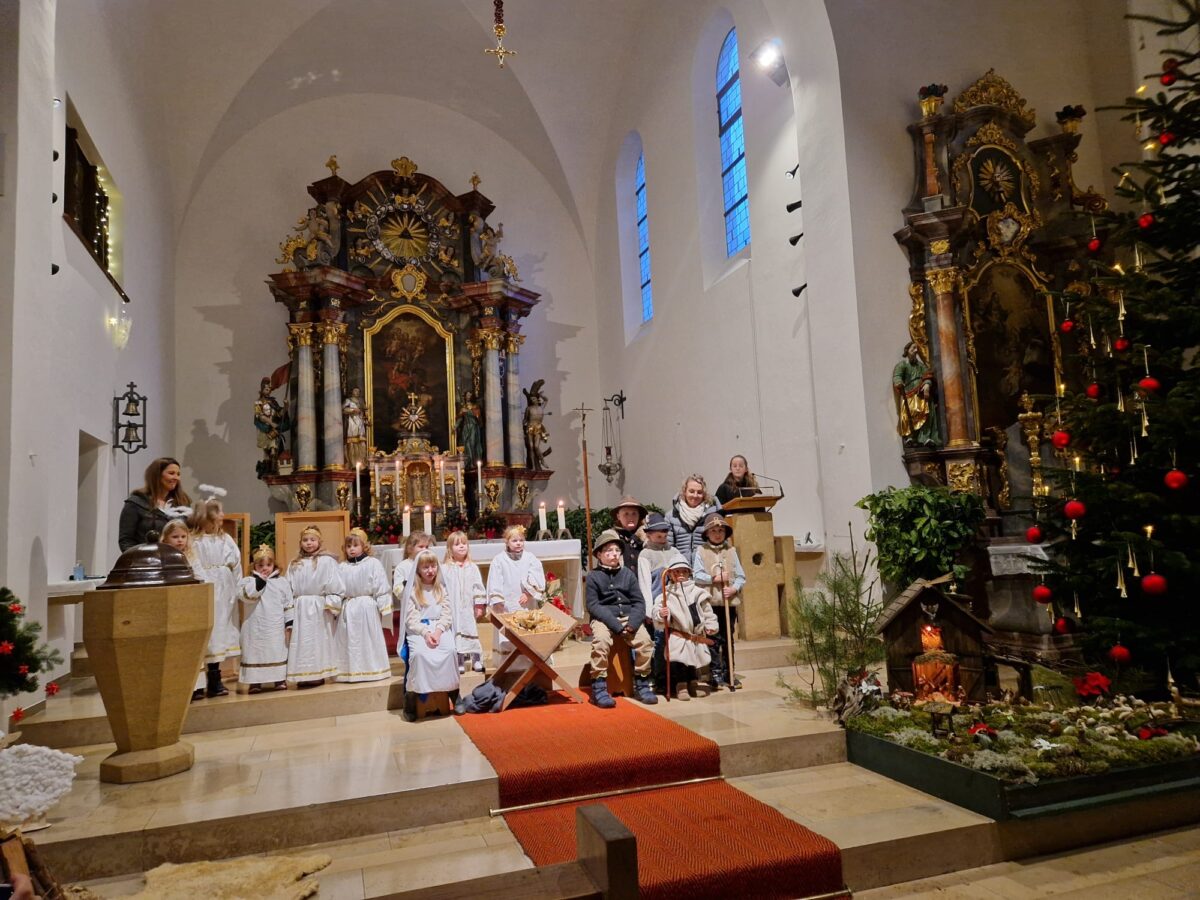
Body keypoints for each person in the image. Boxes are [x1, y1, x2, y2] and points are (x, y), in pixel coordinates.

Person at [586, 530, 657, 708]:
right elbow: (593, 605)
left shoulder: (627, 574)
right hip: (604, 618)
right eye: (608, 551)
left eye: (616, 550)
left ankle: (642, 682)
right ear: (599, 555)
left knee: (646, 642)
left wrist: (632, 624)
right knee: (601, 641)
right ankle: (599, 687)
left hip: (628, 617)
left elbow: (638, 602)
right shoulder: (594, 576)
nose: (613, 555)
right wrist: (616, 625)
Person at [188, 496, 242, 699]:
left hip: (224, 589)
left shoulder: (225, 538)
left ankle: (215, 677)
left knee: (220, 631)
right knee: (206, 632)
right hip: (206, 587)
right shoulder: (195, 540)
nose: (222, 516)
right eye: (218, 512)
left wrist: (238, 587)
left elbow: (236, 564)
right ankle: (197, 681)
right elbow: (192, 562)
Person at [401, 549, 464, 720]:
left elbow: (447, 613)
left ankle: (454, 693)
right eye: (425, 567)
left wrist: (438, 631)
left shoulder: (442, 588)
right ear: (418, 570)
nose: (430, 570)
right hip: (419, 630)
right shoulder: (412, 591)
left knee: (450, 651)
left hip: (440, 628)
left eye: (433, 566)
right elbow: (411, 618)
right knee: (420, 655)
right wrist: (426, 633)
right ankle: (411, 698)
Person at [653, 554, 719, 701]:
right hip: (678, 634)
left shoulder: (697, 593)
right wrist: (661, 614)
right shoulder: (666, 594)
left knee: (694, 661)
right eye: (676, 572)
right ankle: (681, 685)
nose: (680, 575)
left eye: (684, 571)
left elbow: (707, 611)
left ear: (689, 573)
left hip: (694, 634)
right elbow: (657, 612)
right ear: (669, 574)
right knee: (679, 661)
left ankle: (693, 683)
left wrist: (710, 625)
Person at [285, 525, 344, 687]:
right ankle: (302, 674)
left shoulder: (327, 561)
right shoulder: (294, 563)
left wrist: (330, 603)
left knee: (318, 641)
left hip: (319, 607)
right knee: (302, 641)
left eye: (312, 540)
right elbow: (287, 587)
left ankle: (318, 672)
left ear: (319, 541)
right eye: (305, 540)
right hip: (300, 607)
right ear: (300, 543)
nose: (309, 543)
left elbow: (336, 586)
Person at [692, 512, 746, 691]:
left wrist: (734, 588)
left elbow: (740, 576)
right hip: (710, 604)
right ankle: (714, 672)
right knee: (713, 637)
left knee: (727, 638)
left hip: (727, 603)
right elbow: (696, 575)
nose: (717, 533)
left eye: (721, 530)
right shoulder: (701, 551)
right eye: (713, 530)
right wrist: (713, 578)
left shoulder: (731, 551)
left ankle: (729, 671)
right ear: (707, 533)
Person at [160, 519, 210, 701]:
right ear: (165, 539)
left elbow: (201, 577)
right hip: (171, 607)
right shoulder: (161, 557)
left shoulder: (192, 556)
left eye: (183, 536)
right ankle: (176, 686)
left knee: (191, 646)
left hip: (189, 605)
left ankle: (195, 686)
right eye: (175, 537)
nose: (180, 540)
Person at [335, 528, 392, 683]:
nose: (352, 549)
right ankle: (350, 671)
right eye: (348, 546)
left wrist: (383, 607)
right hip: (349, 608)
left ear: (364, 546)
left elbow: (381, 586)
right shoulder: (341, 567)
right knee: (350, 641)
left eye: (355, 545)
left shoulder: (373, 563)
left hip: (367, 608)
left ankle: (372, 669)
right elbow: (336, 589)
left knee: (368, 640)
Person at [486, 524, 545, 665]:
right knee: (508, 634)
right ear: (507, 542)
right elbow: (494, 580)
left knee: (527, 632)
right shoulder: (499, 560)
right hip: (506, 604)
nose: (518, 543)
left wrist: (529, 593)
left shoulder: (530, 558)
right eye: (514, 540)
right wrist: (497, 599)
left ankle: (530, 662)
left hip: (525, 603)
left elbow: (536, 575)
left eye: (521, 540)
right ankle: (508, 664)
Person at [238, 544, 294, 692]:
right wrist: (260, 582)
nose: (265, 568)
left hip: (275, 625)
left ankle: (278, 680)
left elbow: (288, 603)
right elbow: (247, 596)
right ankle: (254, 682)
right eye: (260, 565)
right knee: (255, 651)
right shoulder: (248, 581)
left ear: (274, 564)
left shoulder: (282, 582)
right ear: (254, 566)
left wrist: (289, 622)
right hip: (254, 625)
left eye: (268, 565)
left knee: (277, 649)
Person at [118, 457, 191, 551]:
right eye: (171, 473)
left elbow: (189, 534)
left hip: (175, 562)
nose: (176, 478)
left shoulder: (182, 504)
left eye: (178, 474)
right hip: (145, 562)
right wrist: (140, 559)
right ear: (157, 475)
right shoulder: (136, 503)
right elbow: (126, 540)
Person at [637, 512, 675, 690]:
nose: (662, 538)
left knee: (673, 641)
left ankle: (674, 676)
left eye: (665, 534)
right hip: (657, 605)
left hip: (673, 604)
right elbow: (645, 583)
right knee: (659, 642)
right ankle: (659, 678)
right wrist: (648, 610)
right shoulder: (645, 554)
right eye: (658, 535)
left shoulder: (673, 551)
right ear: (649, 534)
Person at [442, 531, 485, 674]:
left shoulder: (472, 567)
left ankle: (477, 659)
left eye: (464, 543)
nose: (461, 546)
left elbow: (478, 587)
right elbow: (442, 588)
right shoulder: (446, 568)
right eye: (457, 544)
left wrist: (479, 604)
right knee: (456, 632)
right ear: (450, 548)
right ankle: (459, 660)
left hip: (468, 607)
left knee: (471, 630)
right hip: (453, 607)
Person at [389, 531, 432, 657]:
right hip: (411, 610)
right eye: (421, 547)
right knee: (415, 642)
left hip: (429, 608)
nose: (424, 550)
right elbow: (397, 589)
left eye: (427, 547)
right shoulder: (403, 567)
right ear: (409, 548)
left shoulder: (430, 564)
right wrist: (409, 588)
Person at [893, 341, 941, 447]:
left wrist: (927, 384)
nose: (916, 351)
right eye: (913, 349)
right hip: (909, 393)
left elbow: (927, 375)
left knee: (925, 412)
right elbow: (897, 376)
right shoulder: (902, 365)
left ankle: (925, 437)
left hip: (921, 393)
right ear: (907, 351)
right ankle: (910, 436)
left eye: (916, 349)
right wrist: (899, 382)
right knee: (908, 414)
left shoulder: (920, 365)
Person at [665, 474, 720, 564]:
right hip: (680, 569)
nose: (695, 495)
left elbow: (720, 544)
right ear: (684, 492)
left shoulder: (713, 516)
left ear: (704, 495)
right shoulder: (670, 516)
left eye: (699, 492)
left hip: (706, 567)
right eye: (691, 491)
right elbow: (668, 547)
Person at [610, 495, 647, 571]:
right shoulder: (611, 538)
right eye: (626, 514)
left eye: (634, 514)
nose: (630, 518)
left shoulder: (648, 537)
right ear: (618, 516)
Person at [343, 387, 369, 469]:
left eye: (358, 391)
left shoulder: (361, 401)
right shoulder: (348, 400)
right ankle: (352, 462)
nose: (357, 392)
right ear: (352, 392)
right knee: (352, 442)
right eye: (355, 391)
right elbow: (343, 409)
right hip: (352, 422)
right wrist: (353, 410)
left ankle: (361, 461)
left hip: (360, 422)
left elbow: (365, 411)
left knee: (361, 441)